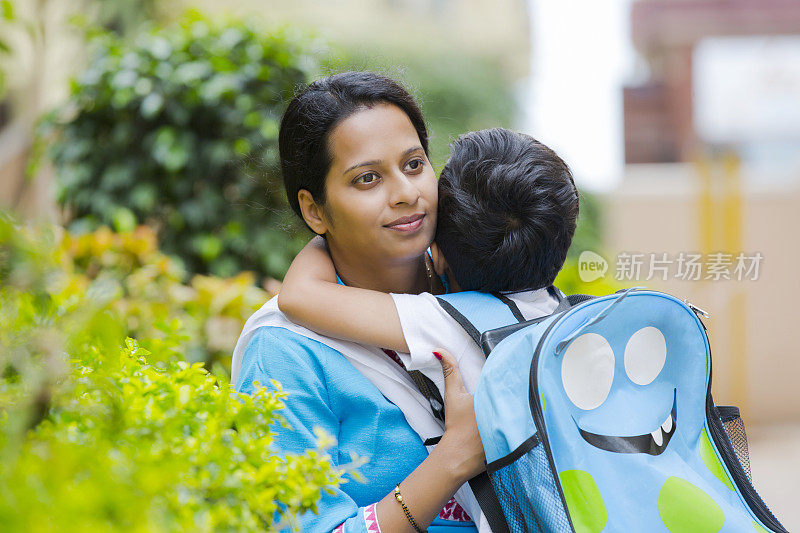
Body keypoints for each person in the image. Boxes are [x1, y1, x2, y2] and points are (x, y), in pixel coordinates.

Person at [231, 71, 485, 532]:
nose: (407, 193)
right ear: (314, 210)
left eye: (413, 164)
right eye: (368, 179)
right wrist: (450, 461)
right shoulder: (285, 354)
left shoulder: (475, 281)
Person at [278, 128, 579, 398]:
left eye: (414, 165)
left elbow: (299, 296)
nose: (408, 193)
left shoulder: (449, 323)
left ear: (440, 255)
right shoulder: (568, 314)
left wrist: (326, 223)